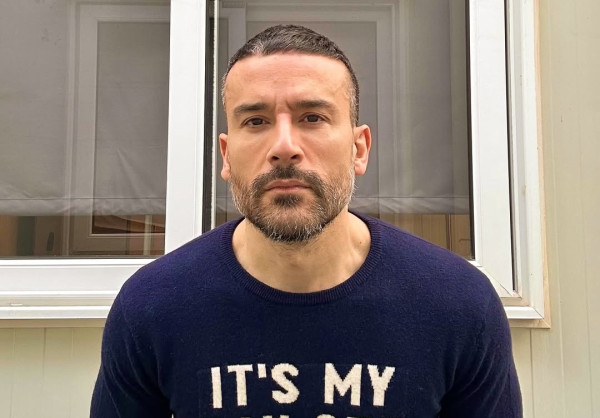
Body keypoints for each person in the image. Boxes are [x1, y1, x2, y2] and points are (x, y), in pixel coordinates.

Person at [91, 24, 522, 417]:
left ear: (358, 149)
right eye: (255, 121)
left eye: (312, 118)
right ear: (226, 155)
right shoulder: (152, 307)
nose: (284, 146)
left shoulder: (458, 304)